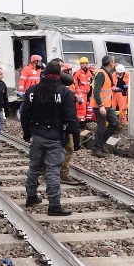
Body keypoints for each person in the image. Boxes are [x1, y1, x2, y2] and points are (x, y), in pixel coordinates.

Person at [20, 59, 81, 216]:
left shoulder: (32, 91)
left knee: (34, 167)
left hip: (37, 133)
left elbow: (25, 114)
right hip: (54, 136)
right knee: (53, 169)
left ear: (45, 73)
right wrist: (76, 139)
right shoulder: (64, 92)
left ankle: (31, 197)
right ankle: (54, 205)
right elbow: (72, 118)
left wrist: (27, 133)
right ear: (59, 74)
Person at [59, 62, 82, 186]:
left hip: (51, 125)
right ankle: (63, 173)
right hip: (64, 124)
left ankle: (47, 171)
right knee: (68, 148)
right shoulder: (65, 90)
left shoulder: (54, 88)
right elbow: (70, 116)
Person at [90, 55, 119, 157]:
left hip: (107, 105)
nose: (114, 64)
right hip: (100, 106)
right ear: (110, 63)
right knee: (101, 127)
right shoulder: (102, 74)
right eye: (113, 62)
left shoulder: (106, 73)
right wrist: (101, 106)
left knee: (114, 123)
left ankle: (101, 143)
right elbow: (96, 91)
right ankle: (96, 149)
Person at [73, 57, 94, 128]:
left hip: (87, 94)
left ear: (87, 64)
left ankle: (84, 122)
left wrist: (90, 94)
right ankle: (80, 124)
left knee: (87, 109)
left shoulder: (89, 73)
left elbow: (90, 84)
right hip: (80, 93)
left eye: (84, 63)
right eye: (81, 64)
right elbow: (75, 84)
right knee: (81, 109)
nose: (83, 65)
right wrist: (78, 94)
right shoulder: (77, 73)